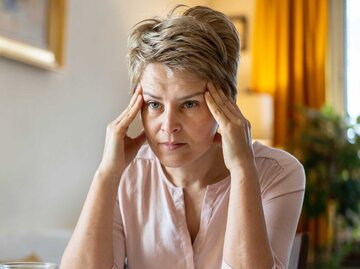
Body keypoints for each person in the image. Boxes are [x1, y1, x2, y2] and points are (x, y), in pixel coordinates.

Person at [61, 5, 305, 269]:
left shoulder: (278, 173)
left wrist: (243, 169)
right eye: (154, 104)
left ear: (226, 104)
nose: (168, 126)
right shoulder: (126, 174)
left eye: (189, 104)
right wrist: (106, 176)